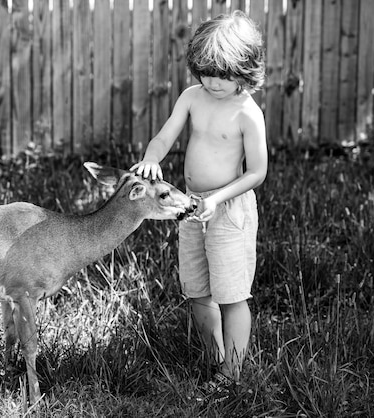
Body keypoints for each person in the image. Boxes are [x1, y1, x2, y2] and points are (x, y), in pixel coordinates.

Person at [131, 10, 267, 393]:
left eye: (223, 74)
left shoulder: (247, 113)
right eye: (205, 72)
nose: (212, 81)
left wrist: (219, 198)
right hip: (191, 207)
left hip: (228, 210)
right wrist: (153, 156)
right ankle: (213, 357)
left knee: (231, 294)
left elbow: (256, 172)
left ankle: (232, 373)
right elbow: (165, 135)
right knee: (197, 288)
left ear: (245, 68)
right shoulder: (193, 96)